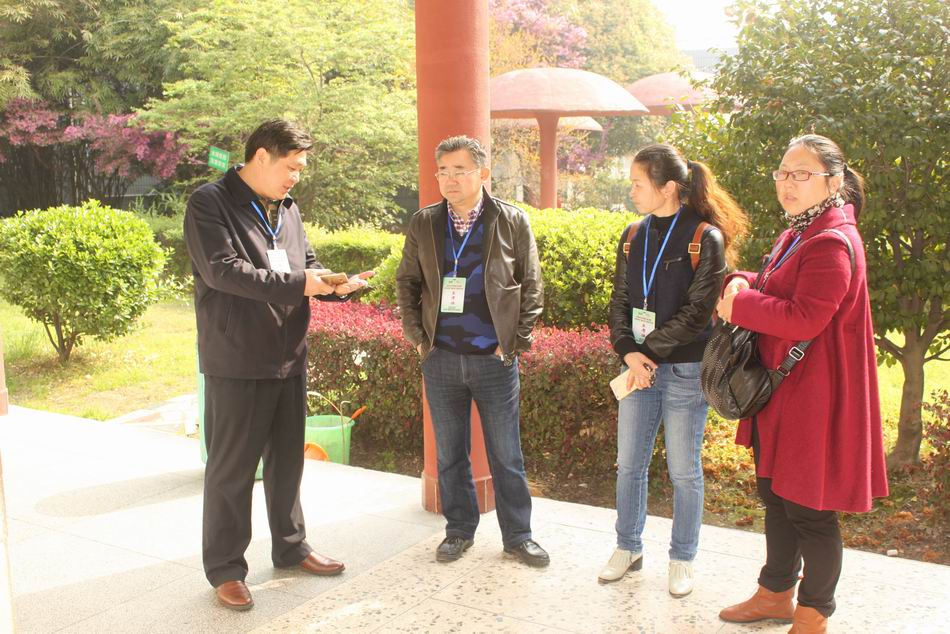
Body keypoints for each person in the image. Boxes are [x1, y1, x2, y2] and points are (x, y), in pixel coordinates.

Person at [184, 119, 371, 611]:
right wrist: (301, 284)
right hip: (238, 358)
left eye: (301, 169)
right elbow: (223, 271)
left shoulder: (287, 208)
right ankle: (226, 568)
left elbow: (303, 264)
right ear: (261, 156)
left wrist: (333, 285)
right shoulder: (210, 202)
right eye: (292, 167)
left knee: (288, 462)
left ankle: (290, 547)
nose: (296, 177)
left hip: (288, 355)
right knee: (232, 470)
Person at [716, 134, 888, 634]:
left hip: (814, 397)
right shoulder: (800, 231)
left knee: (808, 508)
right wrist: (743, 280)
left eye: (802, 174)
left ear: (833, 181)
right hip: (782, 391)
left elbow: (806, 316)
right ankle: (774, 594)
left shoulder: (831, 241)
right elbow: (780, 285)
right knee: (775, 494)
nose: (787, 184)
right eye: (783, 173)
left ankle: (814, 612)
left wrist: (740, 305)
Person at [599, 144, 749, 596]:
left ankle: (682, 558)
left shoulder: (704, 237)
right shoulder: (632, 234)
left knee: (684, 471)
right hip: (638, 367)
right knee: (629, 465)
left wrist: (647, 353)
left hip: (683, 370)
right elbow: (620, 300)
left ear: (667, 187)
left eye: (638, 184)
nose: (631, 191)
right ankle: (627, 547)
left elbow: (698, 312)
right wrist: (628, 352)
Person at [395, 135, 548, 567]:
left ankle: (518, 536)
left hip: (493, 359)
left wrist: (512, 343)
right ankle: (459, 530)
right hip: (440, 357)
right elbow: (407, 282)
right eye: (442, 171)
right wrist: (419, 339)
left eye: (459, 171)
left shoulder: (511, 220)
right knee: (450, 454)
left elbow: (532, 286)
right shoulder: (424, 222)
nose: (449, 179)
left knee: (507, 454)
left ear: (482, 173)